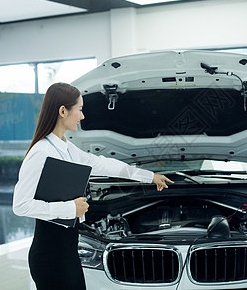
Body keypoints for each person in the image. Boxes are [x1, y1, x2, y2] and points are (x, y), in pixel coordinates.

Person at [13, 82, 173, 290]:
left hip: (66, 252)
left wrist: (149, 176)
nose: (82, 116)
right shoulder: (40, 152)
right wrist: (71, 208)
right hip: (49, 256)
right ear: (63, 111)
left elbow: (103, 164)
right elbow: (20, 205)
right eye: (79, 109)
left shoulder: (67, 149)